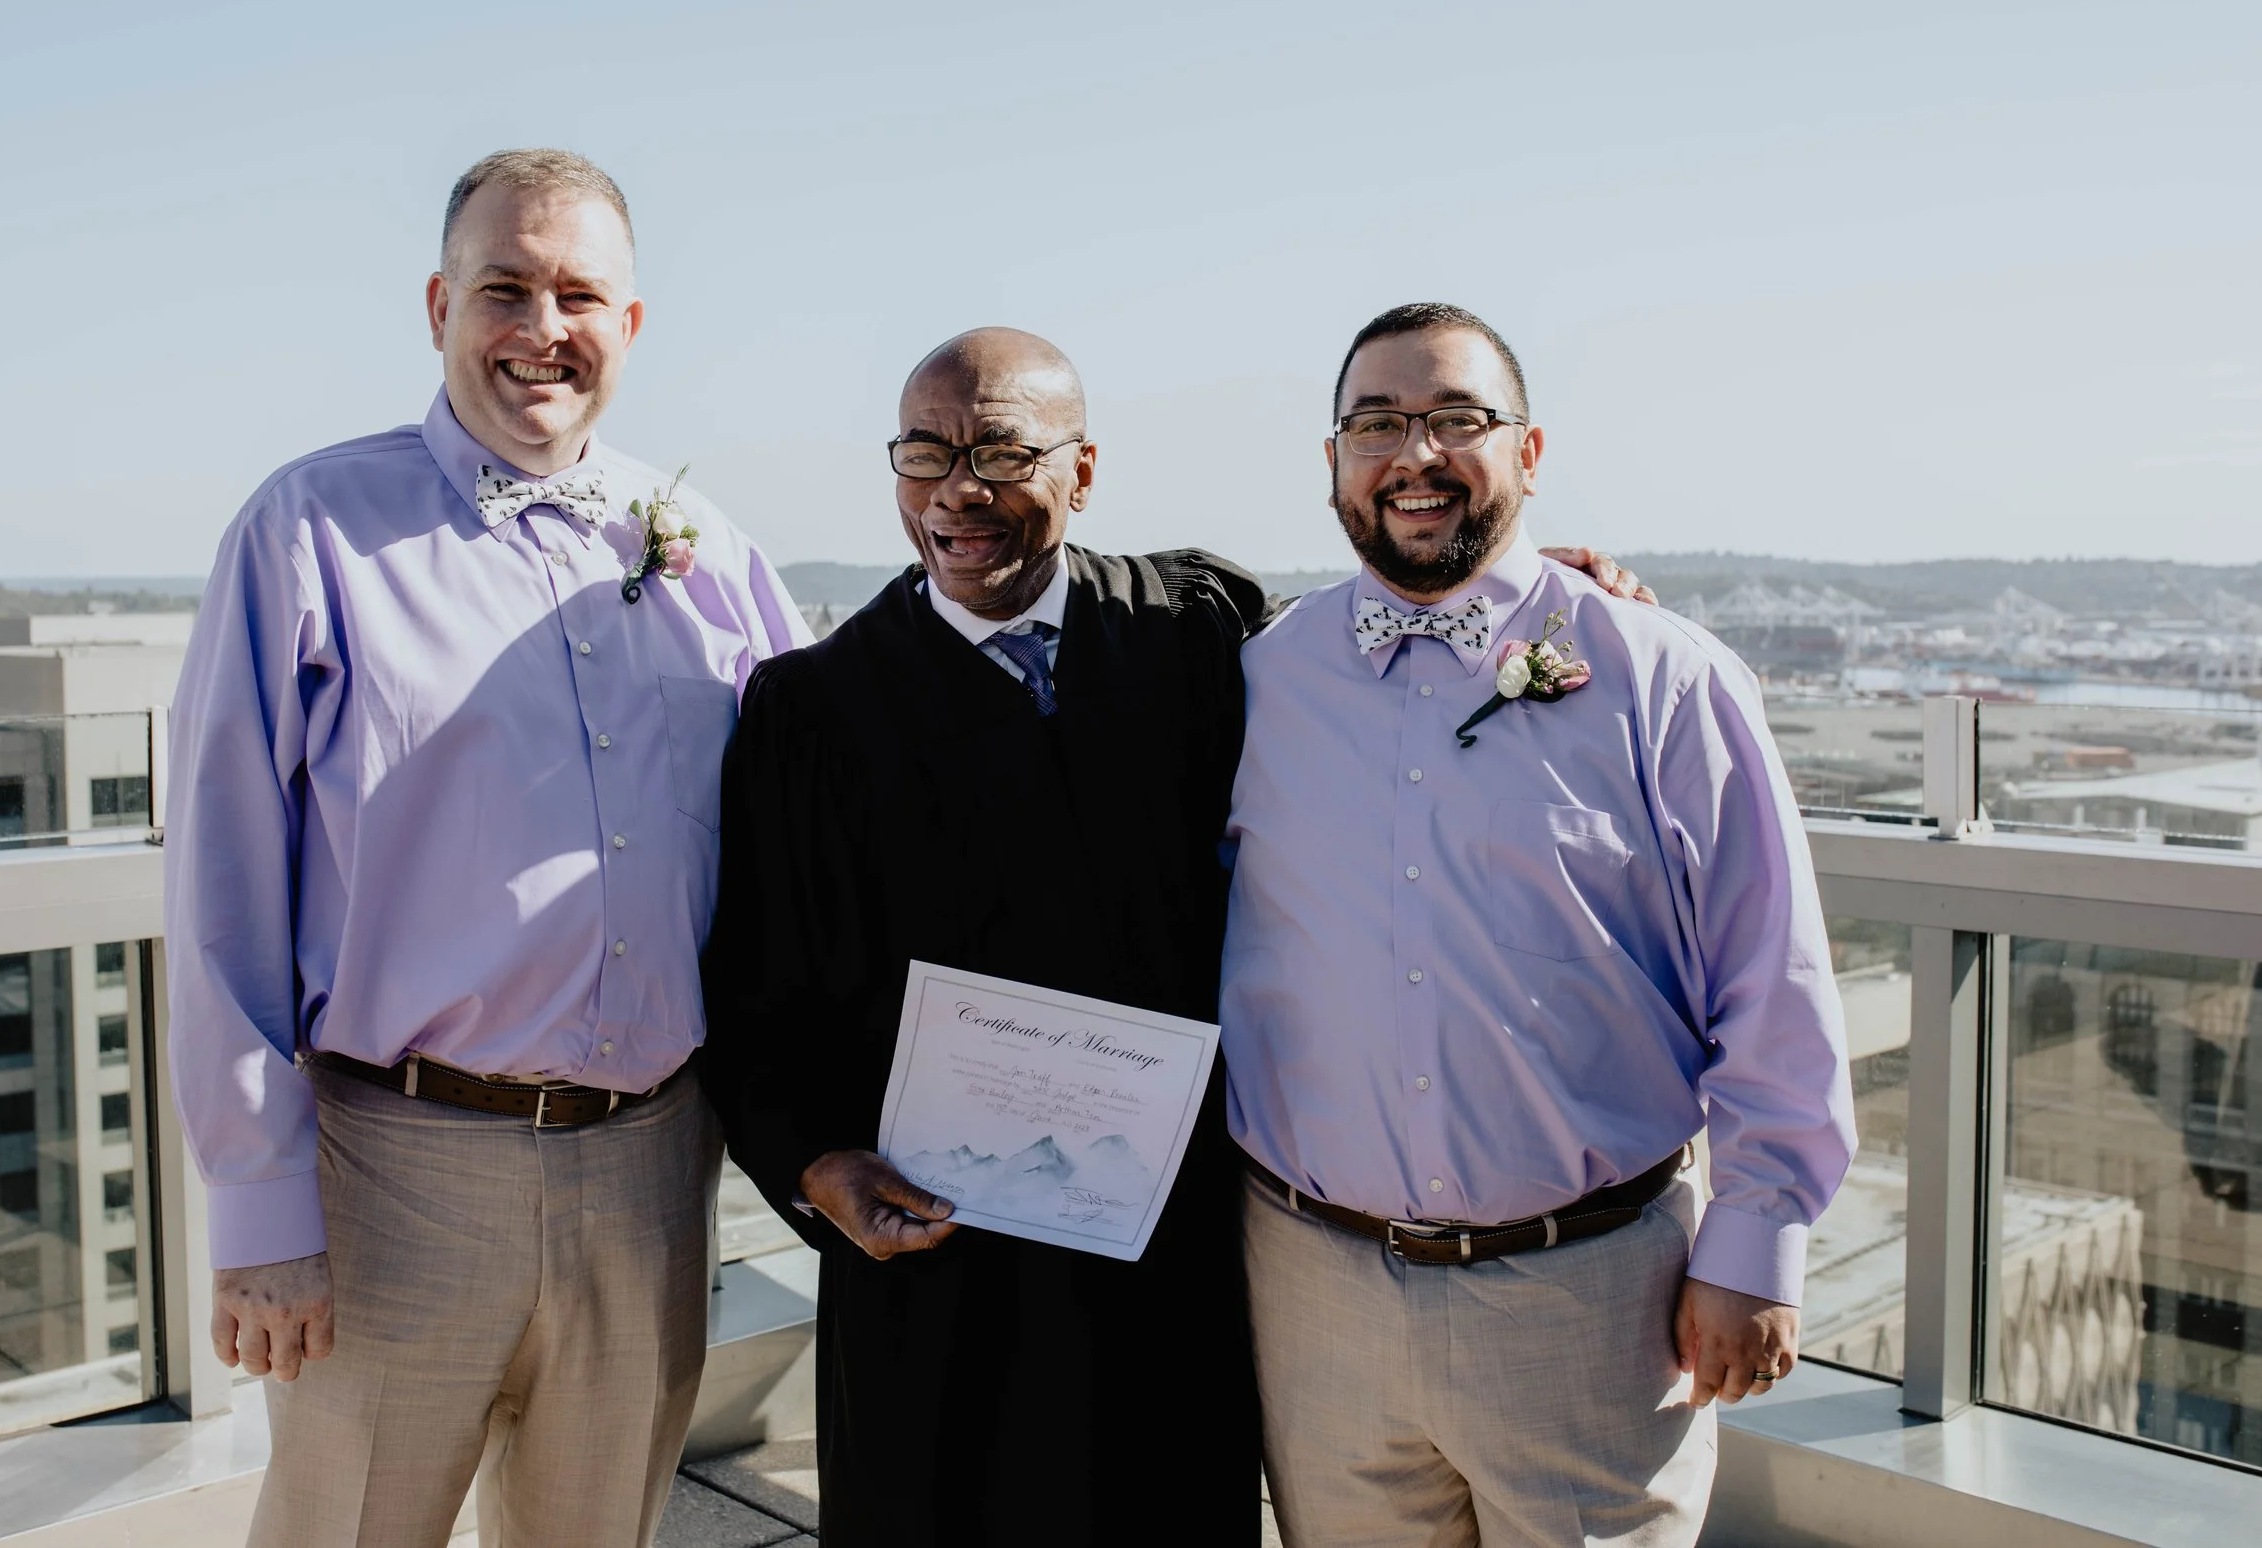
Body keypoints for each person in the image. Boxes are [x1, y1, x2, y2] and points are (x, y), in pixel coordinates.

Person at [701, 326, 1649, 1546]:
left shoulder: (1195, 627)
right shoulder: (816, 709)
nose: (959, 489)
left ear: (1083, 471)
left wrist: (1532, 588)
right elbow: (759, 991)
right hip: (943, 1258)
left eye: (1000, 448)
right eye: (924, 452)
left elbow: (1380, 642)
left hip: (1170, 1241)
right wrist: (820, 1163)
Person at [164, 148, 807, 1547]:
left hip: (652, 1173)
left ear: (630, 326)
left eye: (580, 293)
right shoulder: (306, 530)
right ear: (440, 303)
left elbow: (821, 827)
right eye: (503, 288)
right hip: (395, 1168)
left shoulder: (715, 554)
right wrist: (261, 1210)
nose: (542, 327)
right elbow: (220, 886)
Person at [1219, 302, 1857, 1548]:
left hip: (1595, 1300)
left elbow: (1768, 977)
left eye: (1458, 418)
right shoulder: (1256, 679)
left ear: (1530, 448)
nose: (1415, 453)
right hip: (1311, 1290)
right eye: (1376, 423)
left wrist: (1758, 1239)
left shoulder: (1662, 675)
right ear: (1333, 459)